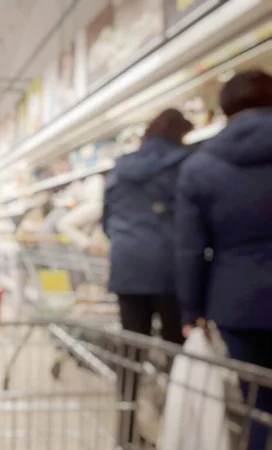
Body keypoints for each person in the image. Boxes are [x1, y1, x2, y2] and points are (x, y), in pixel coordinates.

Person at [176, 70, 272, 450]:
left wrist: (190, 311)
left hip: (237, 302)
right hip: (238, 299)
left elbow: (189, 248)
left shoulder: (199, 166)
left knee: (256, 401)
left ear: (224, 110)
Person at [103, 108, 193, 445]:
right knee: (177, 359)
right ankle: (174, 431)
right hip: (172, 269)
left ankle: (126, 432)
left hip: (128, 268)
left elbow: (106, 219)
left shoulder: (121, 167)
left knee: (131, 353)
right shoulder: (187, 163)